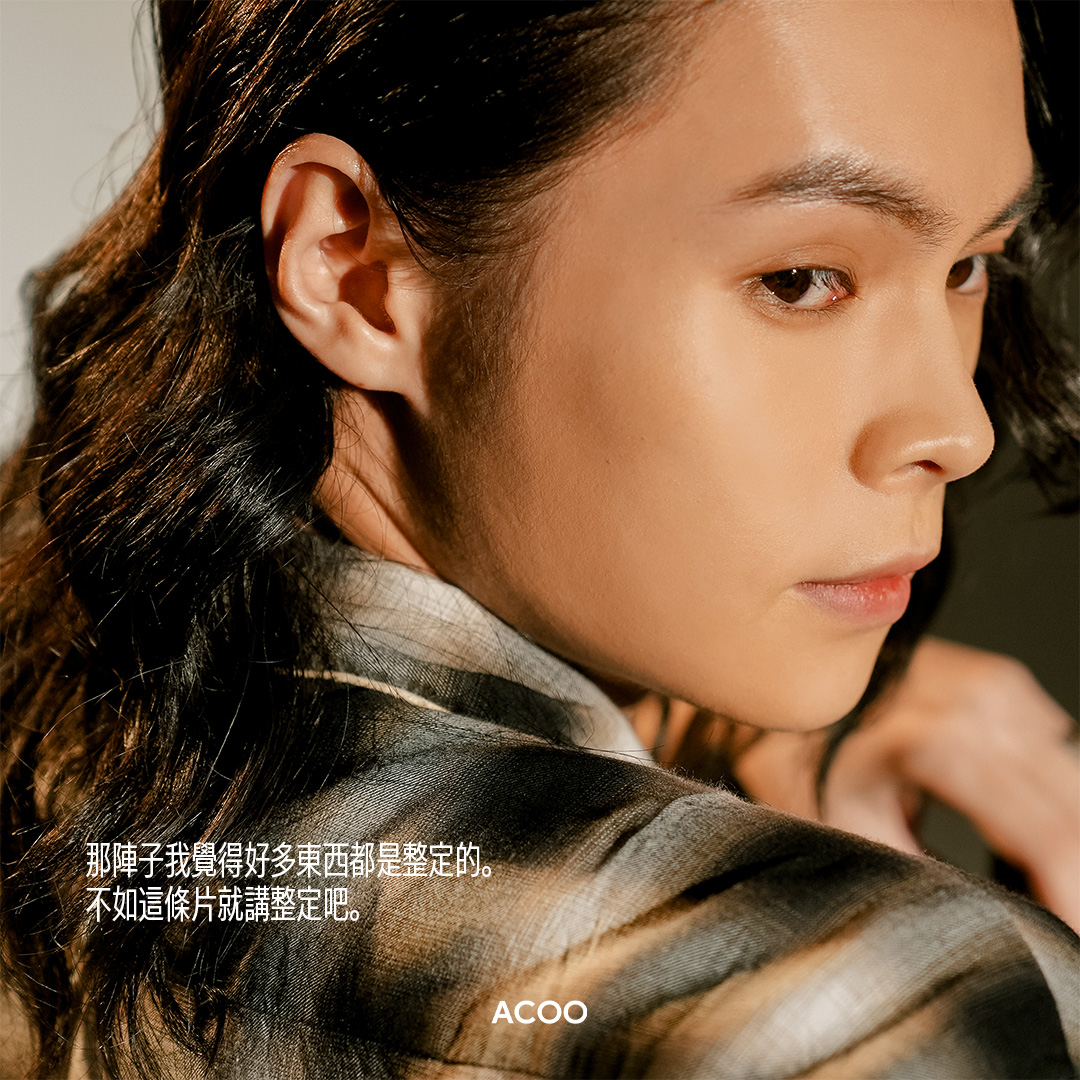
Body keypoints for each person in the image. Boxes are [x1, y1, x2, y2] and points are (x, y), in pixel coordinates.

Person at [2, 1, 1077, 1078]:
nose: (961, 431)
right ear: (354, 270)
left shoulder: (73, 811)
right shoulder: (861, 998)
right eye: (799, 280)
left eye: (969, 267)